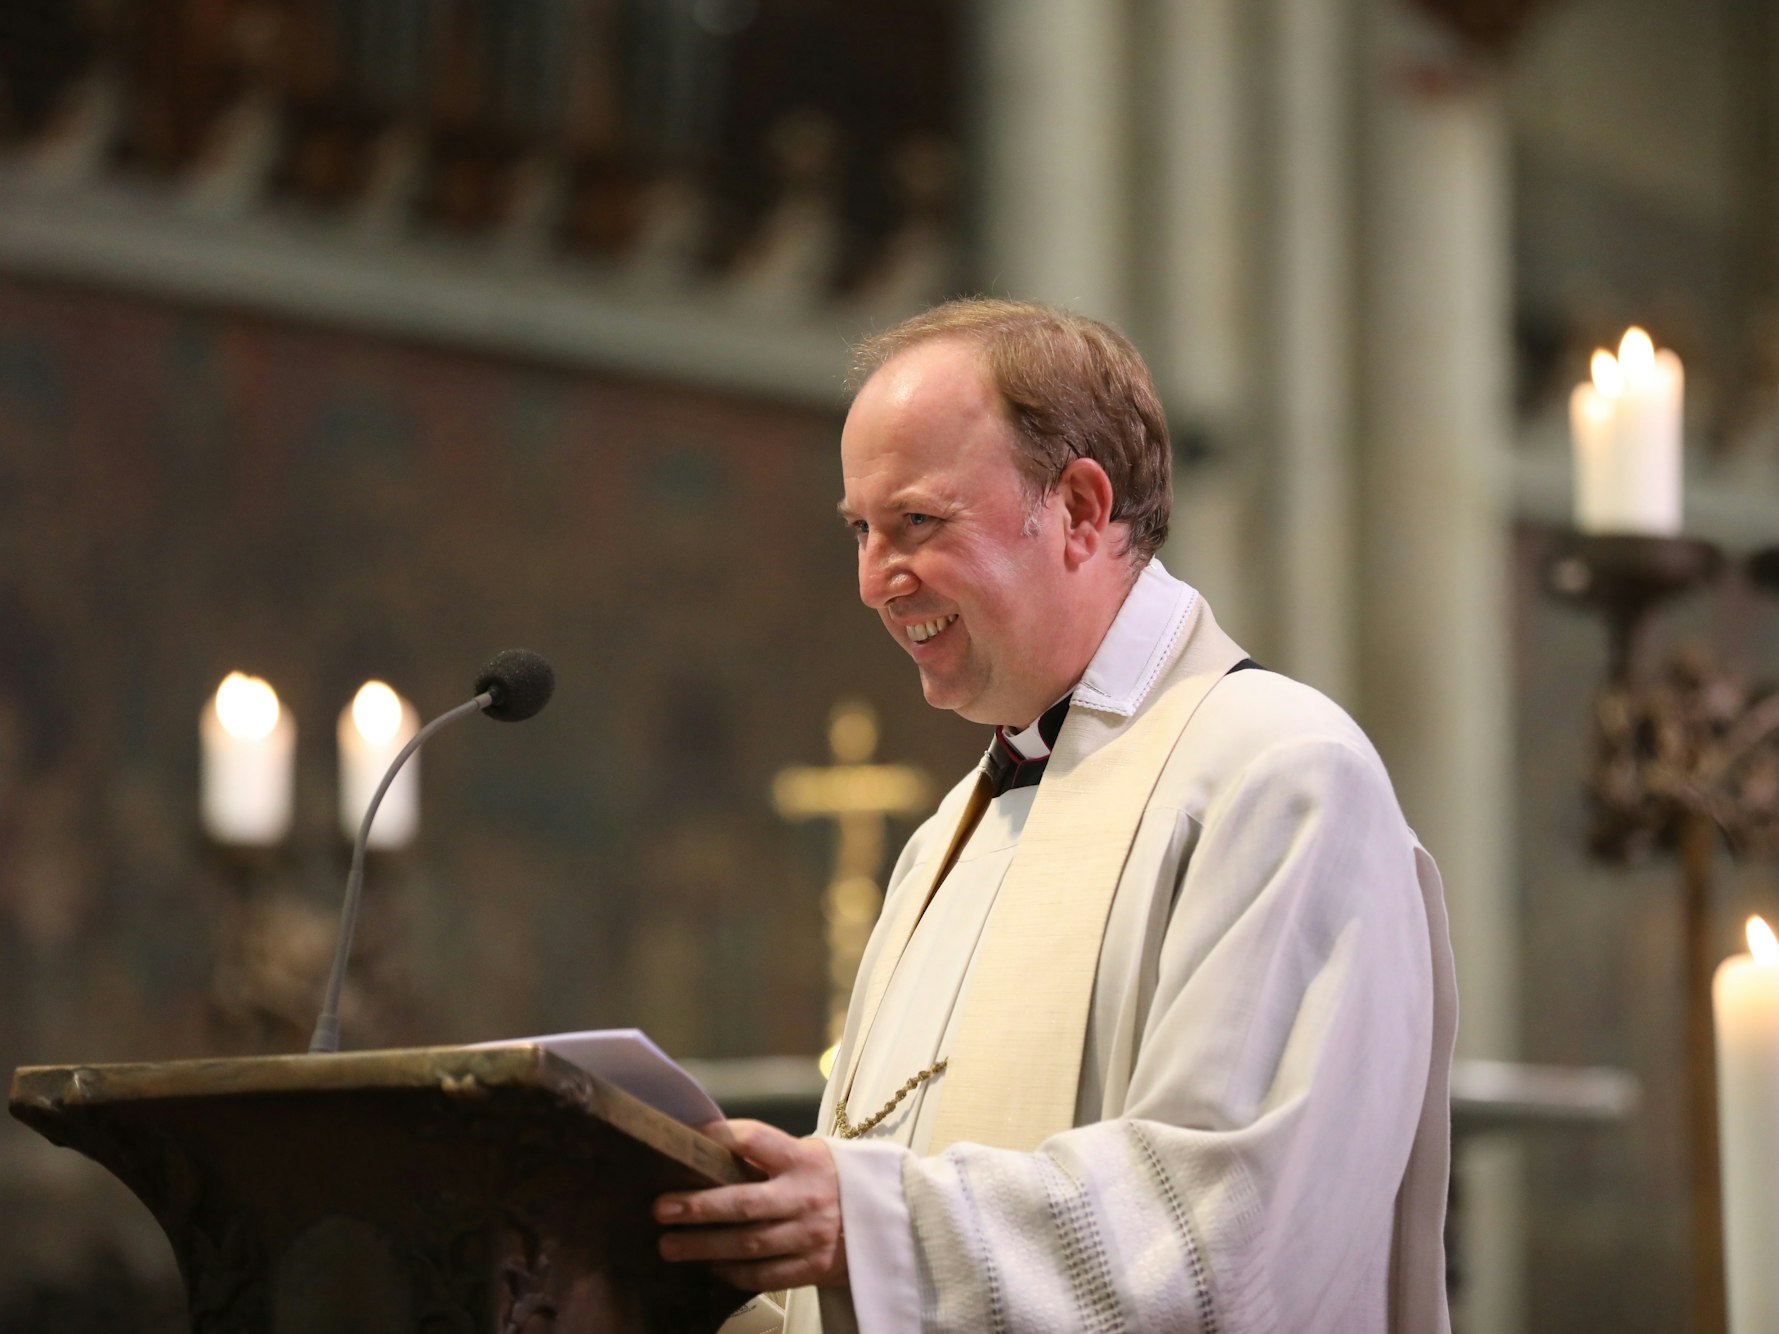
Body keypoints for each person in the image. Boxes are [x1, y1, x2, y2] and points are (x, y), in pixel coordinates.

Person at [655, 298, 1457, 1333]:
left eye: (917, 522)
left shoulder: (1281, 772)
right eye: (860, 529)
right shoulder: (950, 835)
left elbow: (1231, 1231)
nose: (872, 579)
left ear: (1081, 508)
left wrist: (866, 1225)